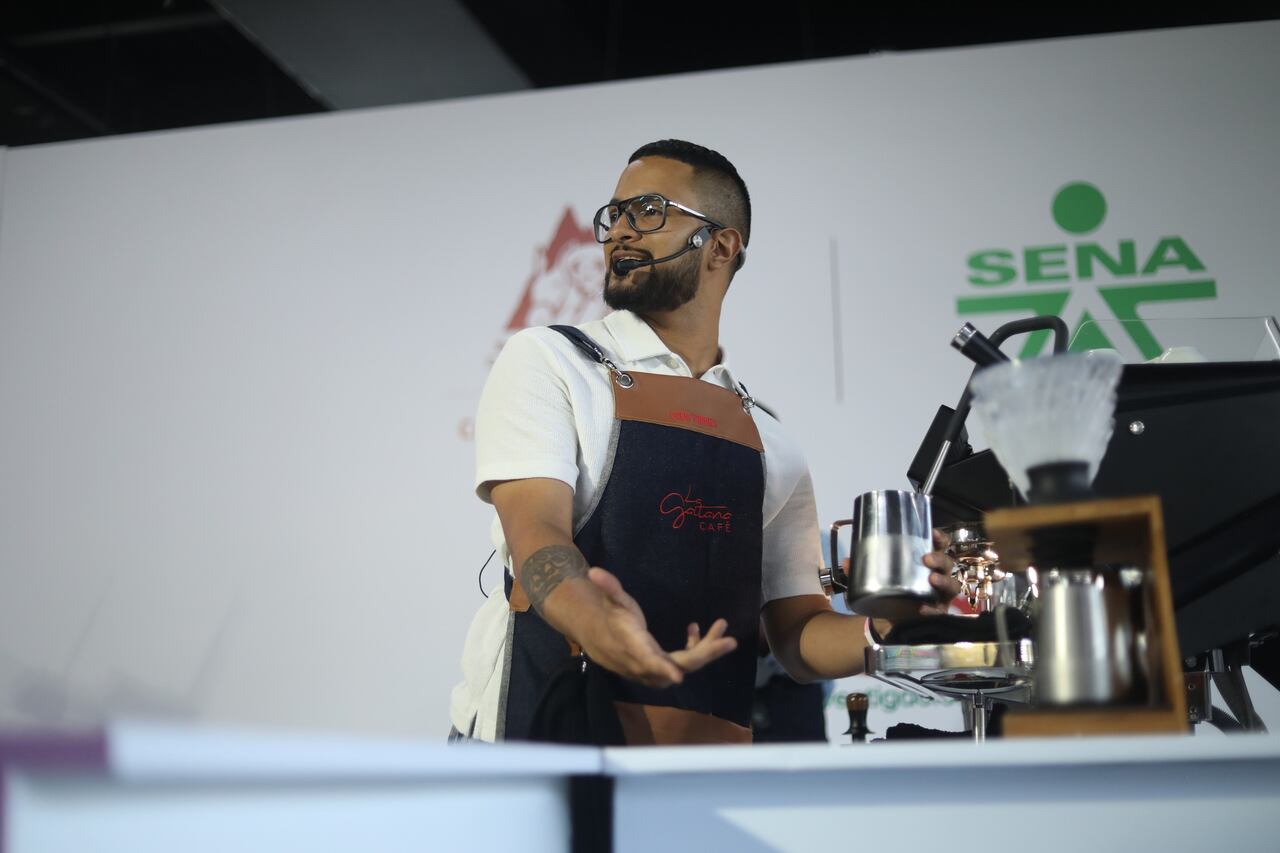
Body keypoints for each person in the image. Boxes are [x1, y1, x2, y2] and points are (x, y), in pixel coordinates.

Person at [449, 139, 959, 745]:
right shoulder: (551, 360)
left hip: (704, 763)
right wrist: (601, 626)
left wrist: (885, 628)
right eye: (614, 215)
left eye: (650, 210)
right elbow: (538, 540)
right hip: (542, 735)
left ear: (721, 244)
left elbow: (798, 638)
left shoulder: (772, 441)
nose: (620, 233)